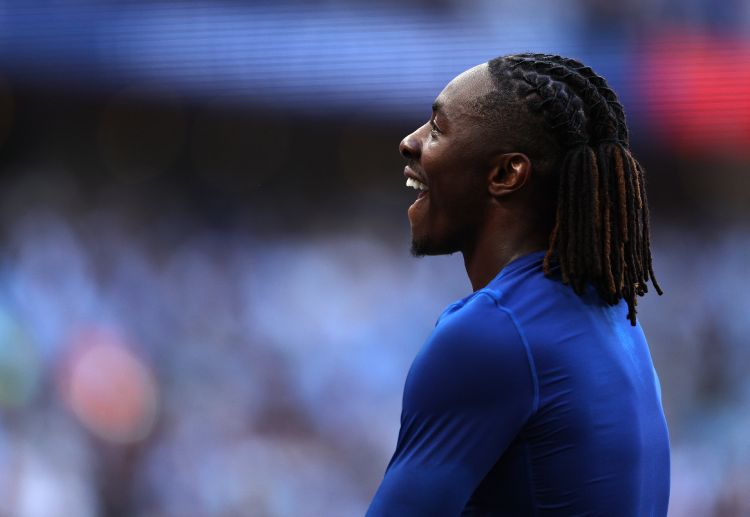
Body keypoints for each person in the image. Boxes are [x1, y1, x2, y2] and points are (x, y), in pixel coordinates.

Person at [366, 54, 670, 516]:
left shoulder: (492, 333)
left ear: (506, 174)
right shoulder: (614, 316)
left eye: (437, 129)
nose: (410, 142)